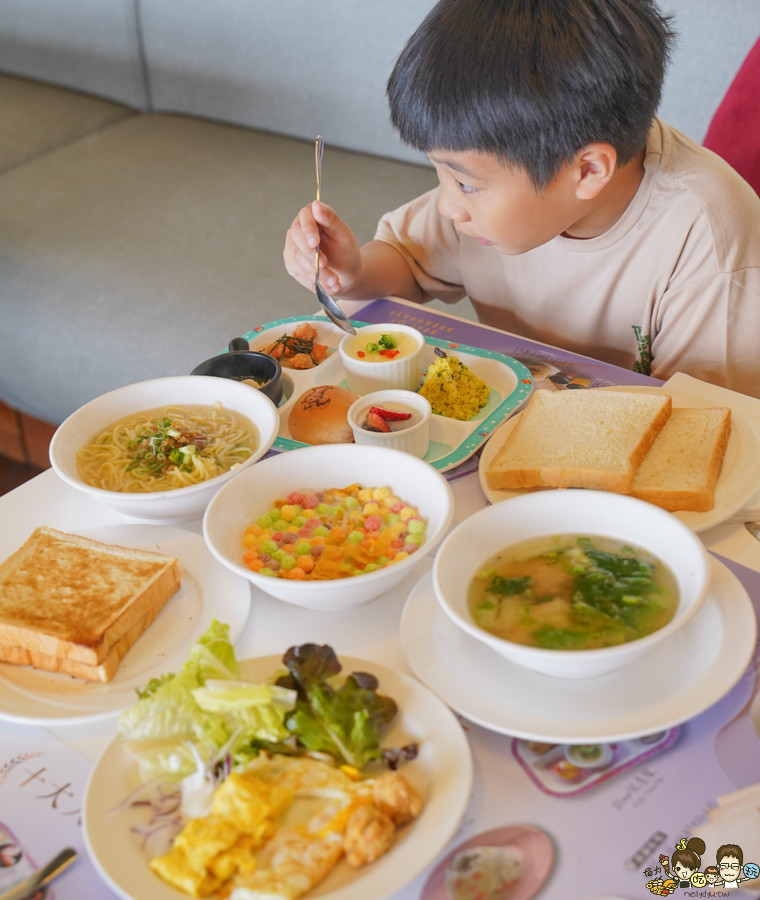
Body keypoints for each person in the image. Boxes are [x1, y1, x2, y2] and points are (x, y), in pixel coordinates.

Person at [284, 0, 760, 397]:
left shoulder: (708, 240)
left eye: (465, 183)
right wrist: (353, 273)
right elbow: (410, 264)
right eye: (441, 174)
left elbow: (706, 419)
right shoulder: (491, 196)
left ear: (588, 170)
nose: (449, 206)